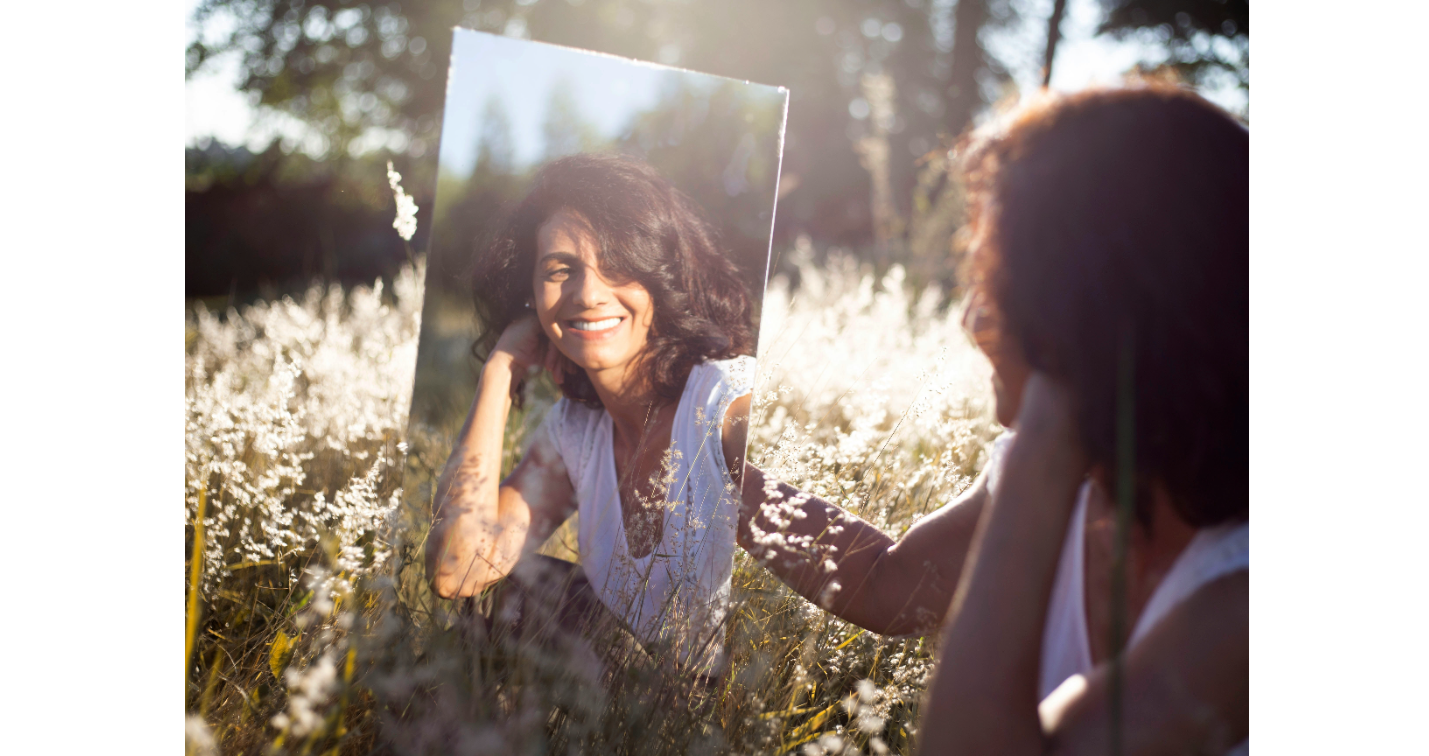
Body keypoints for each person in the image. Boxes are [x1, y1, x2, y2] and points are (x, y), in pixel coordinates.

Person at [733, 82, 1249, 754]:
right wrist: (721, 477)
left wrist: (1047, 435)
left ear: (1098, 308)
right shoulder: (1068, 481)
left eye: (1001, 284)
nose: (971, 319)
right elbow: (887, 584)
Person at [425, 153, 757, 675]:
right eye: (560, 270)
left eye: (618, 263)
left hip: (745, 704)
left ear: (662, 276)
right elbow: (458, 569)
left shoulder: (727, 402)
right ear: (530, 295)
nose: (588, 293)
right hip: (638, 704)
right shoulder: (576, 432)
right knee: (509, 596)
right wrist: (501, 368)